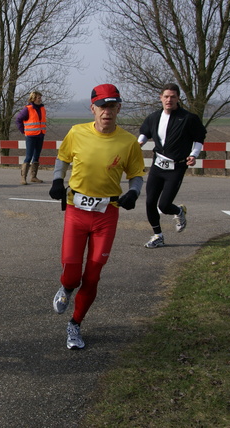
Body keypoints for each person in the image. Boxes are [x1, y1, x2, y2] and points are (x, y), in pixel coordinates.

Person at [48, 84, 145, 350]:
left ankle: (75, 324)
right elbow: (63, 158)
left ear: (119, 109)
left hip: (106, 215)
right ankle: (66, 288)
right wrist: (58, 180)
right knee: (71, 274)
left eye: (112, 106)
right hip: (76, 212)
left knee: (92, 276)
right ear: (92, 108)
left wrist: (134, 193)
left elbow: (136, 175)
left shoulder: (128, 142)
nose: (107, 112)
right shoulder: (76, 132)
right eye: (102, 106)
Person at [138, 83, 206, 249]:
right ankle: (157, 235)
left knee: (164, 205)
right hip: (157, 165)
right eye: (166, 96)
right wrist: (136, 146)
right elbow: (144, 134)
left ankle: (178, 211)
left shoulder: (188, 118)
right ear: (161, 98)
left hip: (176, 168)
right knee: (150, 202)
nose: (169, 100)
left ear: (178, 99)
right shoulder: (153, 117)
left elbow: (199, 139)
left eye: (173, 97)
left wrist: (193, 155)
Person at [15, 90, 46, 185]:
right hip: (31, 136)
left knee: (36, 156)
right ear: (33, 98)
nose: (40, 99)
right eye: (38, 98)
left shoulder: (42, 108)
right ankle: (23, 178)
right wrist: (23, 131)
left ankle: (33, 177)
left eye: (40, 97)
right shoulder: (27, 109)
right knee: (29, 156)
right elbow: (18, 119)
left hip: (40, 135)